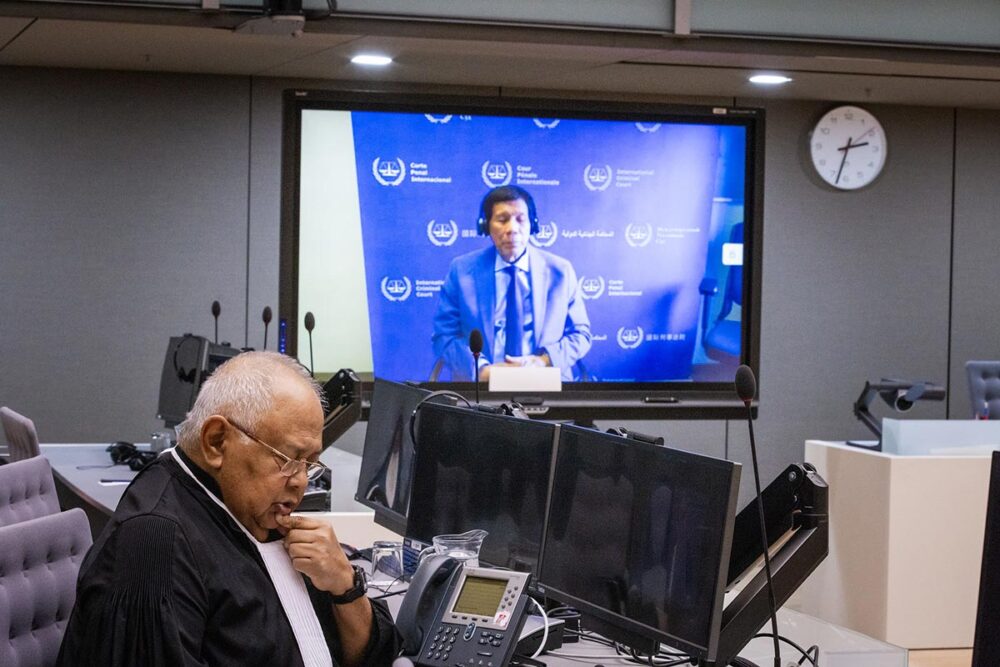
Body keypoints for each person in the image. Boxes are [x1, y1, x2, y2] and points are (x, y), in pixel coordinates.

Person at [57, 351, 399, 667]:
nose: (301, 482)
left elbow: (376, 656)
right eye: (288, 460)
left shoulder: (257, 515)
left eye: (309, 464)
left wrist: (345, 586)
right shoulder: (155, 543)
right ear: (217, 441)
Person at [431, 185, 591, 381]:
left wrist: (543, 361)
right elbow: (444, 336)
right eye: (502, 220)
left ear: (533, 224)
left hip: (544, 382)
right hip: (482, 386)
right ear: (486, 225)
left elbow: (581, 335)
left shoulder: (561, 272)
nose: (512, 229)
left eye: (520, 219)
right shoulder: (462, 271)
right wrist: (481, 370)